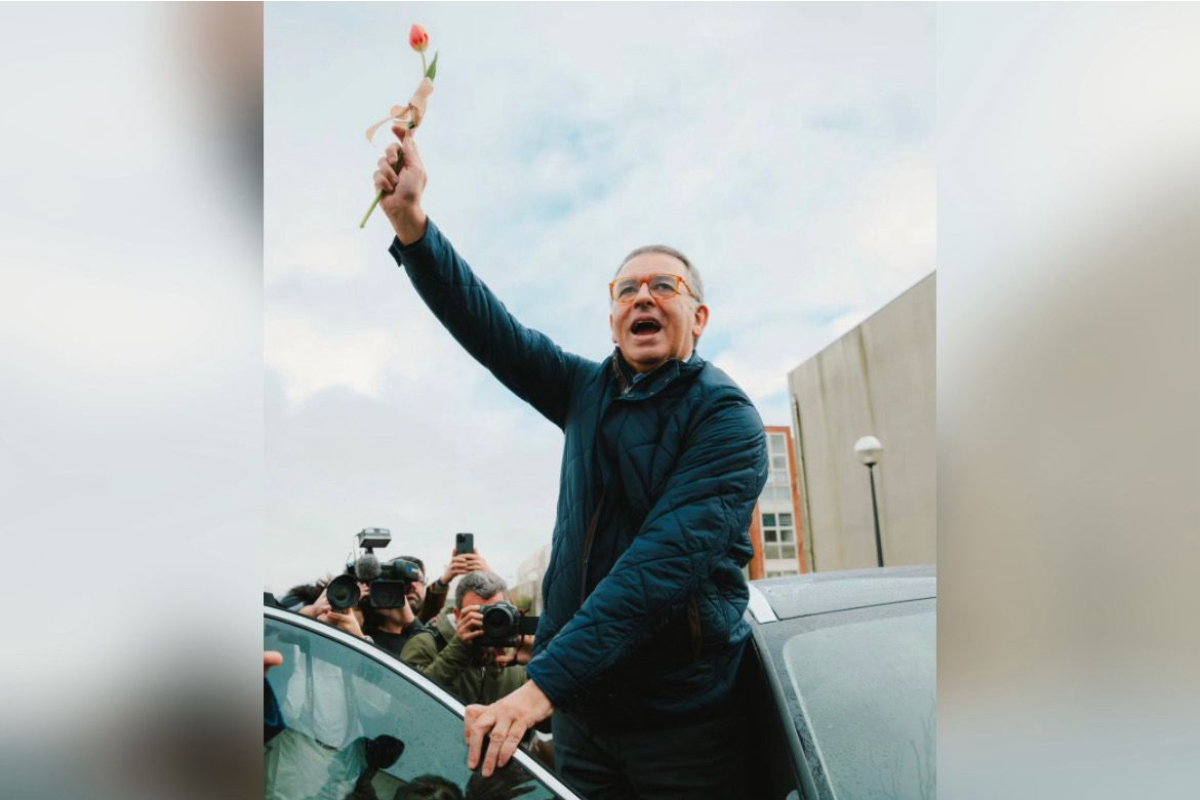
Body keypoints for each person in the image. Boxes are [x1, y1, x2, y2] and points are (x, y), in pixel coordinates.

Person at [373, 125, 767, 799]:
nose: (642, 297)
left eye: (663, 286)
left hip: (681, 728)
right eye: (626, 289)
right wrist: (412, 224)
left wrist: (538, 690)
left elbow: (658, 568)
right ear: (612, 318)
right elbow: (492, 331)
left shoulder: (726, 419)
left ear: (699, 317)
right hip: (584, 720)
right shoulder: (585, 391)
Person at [400, 572, 531, 706]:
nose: (487, 623)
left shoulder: (515, 653)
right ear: (457, 615)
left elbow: (538, 712)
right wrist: (458, 649)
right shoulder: (425, 645)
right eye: (478, 615)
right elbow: (405, 701)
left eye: (496, 615)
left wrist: (538, 662)